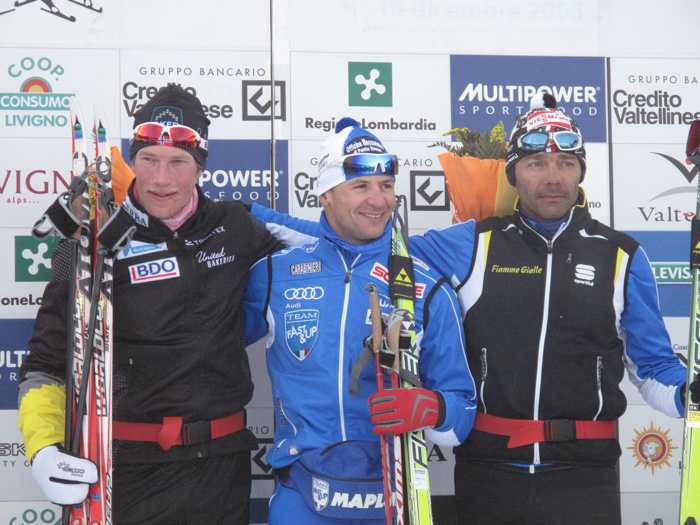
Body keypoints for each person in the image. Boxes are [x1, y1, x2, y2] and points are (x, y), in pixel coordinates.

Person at [248, 95, 699, 525]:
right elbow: (372, 245)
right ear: (513, 173)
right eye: (536, 163)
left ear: (581, 171)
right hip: (489, 472)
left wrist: (687, 392)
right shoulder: (473, 243)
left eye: (566, 163)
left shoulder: (620, 255)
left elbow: (653, 367)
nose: (553, 177)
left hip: (584, 474)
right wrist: (233, 215)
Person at [18, 84, 279, 525]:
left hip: (220, 470)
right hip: (125, 468)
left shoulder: (236, 226)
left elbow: (331, 246)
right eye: (149, 160)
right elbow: (45, 361)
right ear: (131, 161)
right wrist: (42, 447)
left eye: (178, 162)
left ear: (200, 166)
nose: (161, 179)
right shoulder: (88, 239)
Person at [243, 117, 476, 524]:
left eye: (386, 185)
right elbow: (210, 346)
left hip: (391, 495)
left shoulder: (424, 285)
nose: (378, 200)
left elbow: (461, 413)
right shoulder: (273, 274)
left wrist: (434, 407)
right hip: (301, 496)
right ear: (325, 194)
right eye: (361, 186)